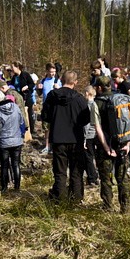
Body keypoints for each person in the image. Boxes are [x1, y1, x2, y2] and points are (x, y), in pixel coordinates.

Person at [42, 70, 89, 202]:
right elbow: (86, 118)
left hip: (58, 138)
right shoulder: (79, 99)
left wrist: (56, 119)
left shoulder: (52, 96)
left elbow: (45, 116)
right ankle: (76, 199)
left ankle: (60, 199)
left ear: (61, 80)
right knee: (76, 171)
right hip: (75, 138)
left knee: (60, 171)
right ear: (75, 82)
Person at [92, 75, 130, 212]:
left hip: (105, 146)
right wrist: (128, 144)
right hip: (122, 143)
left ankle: (108, 207)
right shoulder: (122, 99)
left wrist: (106, 147)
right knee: (123, 177)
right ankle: (126, 208)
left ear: (99, 88)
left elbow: (97, 128)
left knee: (106, 178)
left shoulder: (96, 103)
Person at [0, 89, 24, 193]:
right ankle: (17, 187)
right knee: (16, 164)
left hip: (3, 142)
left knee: (4, 166)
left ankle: (4, 188)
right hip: (17, 140)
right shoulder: (15, 107)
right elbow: (21, 122)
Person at [37, 63, 61, 154]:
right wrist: (38, 88)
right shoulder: (43, 80)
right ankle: (47, 146)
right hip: (46, 107)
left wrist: (58, 88)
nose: (52, 74)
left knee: (55, 127)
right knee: (46, 128)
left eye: (54, 72)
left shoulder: (57, 80)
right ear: (47, 71)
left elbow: (62, 94)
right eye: (51, 72)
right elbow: (39, 94)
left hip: (55, 107)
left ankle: (54, 146)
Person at [8, 62, 36, 136]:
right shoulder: (14, 77)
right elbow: (12, 85)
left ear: (17, 67)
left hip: (26, 98)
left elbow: (32, 84)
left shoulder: (25, 75)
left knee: (29, 114)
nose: (12, 69)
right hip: (18, 99)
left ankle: (31, 131)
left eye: (13, 67)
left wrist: (27, 87)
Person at [82, 85, 98, 186]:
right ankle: (94, 176)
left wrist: (84, 138)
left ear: (88, 94)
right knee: (92, 157)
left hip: (89, 135)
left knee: (88, 158)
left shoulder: (88, 105)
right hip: (96, 134)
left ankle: (92, 178)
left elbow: (86, 124)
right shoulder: (96, 104)